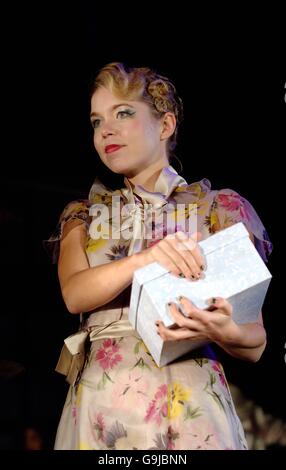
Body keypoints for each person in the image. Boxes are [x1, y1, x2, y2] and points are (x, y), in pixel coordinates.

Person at [45, 62, 272, 450]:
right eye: (97, 121)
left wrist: (220, 331)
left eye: (123, 113)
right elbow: (75, 294)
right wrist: (147, 259)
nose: (106, 131)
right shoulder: (83, 213)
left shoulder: (218, 208)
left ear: (165, 126)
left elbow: (255, 339)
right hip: (105, 400)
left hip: (190, 397)